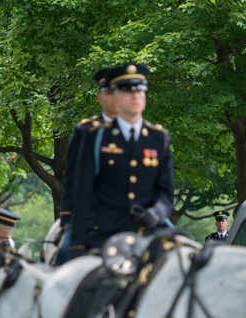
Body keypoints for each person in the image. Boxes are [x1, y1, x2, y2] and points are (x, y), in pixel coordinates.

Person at [66, 63, 175, 258]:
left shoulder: (159, 138)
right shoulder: (94, 136)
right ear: (114, 96)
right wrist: (77, 247)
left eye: (140, 90)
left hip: (149, 233)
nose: (135, 95)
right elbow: (81, 192)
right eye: (126, 90)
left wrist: (157, 212)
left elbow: (166, 192)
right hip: (105, 234)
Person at [55, 79, 117, 264]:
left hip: (136, 214)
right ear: (100, 98)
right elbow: (72, 180)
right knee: (65, 254)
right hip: (93, 214)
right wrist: (66, 218)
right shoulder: (86, 131)